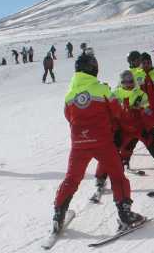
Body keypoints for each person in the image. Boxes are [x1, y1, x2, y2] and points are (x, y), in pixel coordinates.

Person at [53, 53, 143, 232]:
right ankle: (125, 214)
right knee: (117, 176)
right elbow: (117, 111)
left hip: (79, 144)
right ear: (93, 68)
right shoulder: (102, 88)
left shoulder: (70, 93)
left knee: (72, 178)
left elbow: (68, 117)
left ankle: (58, 214)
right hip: (102, 142)